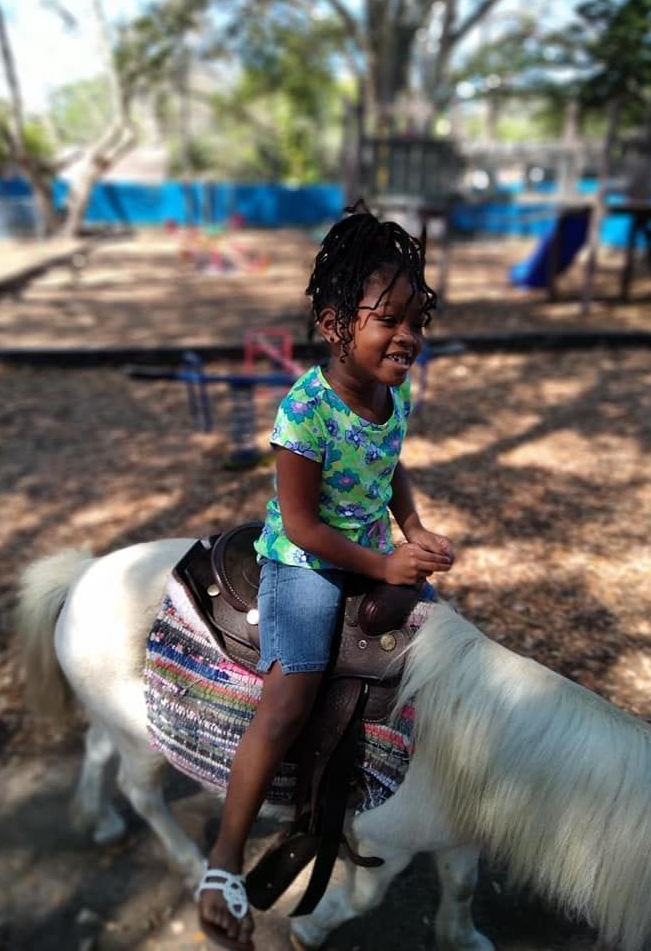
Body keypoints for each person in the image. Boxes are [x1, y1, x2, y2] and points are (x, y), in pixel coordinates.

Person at [196, 204, 456, 951]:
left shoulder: (390, 393)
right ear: (335, 321)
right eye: (389, 320)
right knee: (290, 696)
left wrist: (414, 531)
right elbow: (304, 524)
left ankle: (393, 792)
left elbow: (389, 462)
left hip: (375, 547)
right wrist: (384, 565)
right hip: (306, 564)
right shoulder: (305, 411)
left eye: (416, 320)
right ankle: (223, 859)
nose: (407, 336)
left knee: (442, 657)